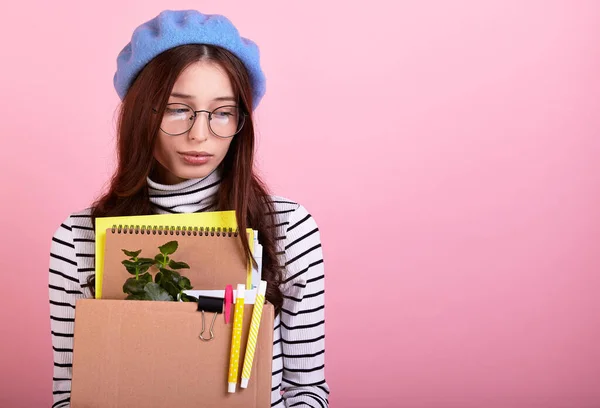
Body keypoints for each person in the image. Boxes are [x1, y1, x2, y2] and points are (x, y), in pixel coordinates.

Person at [48, 9, 329, 408]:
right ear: (140, 113)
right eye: (177, 109)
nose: (200, 135)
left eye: (223, 113)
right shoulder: (78, 238)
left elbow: (307, 392)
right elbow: (69, 396)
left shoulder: (287, 226)